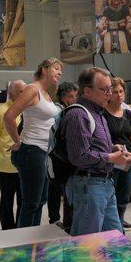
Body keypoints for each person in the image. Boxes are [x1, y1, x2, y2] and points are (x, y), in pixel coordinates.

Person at [61, 67, 131, 236]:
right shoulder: (79, 115)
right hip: (89, 185)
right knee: (87, 243)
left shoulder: (98, 112)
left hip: (103, 184)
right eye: (104, 89)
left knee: (115, 238)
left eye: (110, 89)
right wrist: (110, 157)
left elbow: (93, 146)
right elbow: (79, 156)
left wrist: (112, 148)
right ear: (87, 91)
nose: (109, 93)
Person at [5, 58, 62, 228]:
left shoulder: (46, 93)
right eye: (56, 69)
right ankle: (25, 244)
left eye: (60, 70)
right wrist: (17, 141)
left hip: (44, 151)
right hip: (32, 150)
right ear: (44, 69)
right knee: (31, 203)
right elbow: (9, 116)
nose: (59, 73)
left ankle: (33, 240)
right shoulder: (32, 90)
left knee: (40, 201)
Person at [0, 80, 26, 230]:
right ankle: (8, 229)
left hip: (23, 165)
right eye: (20, 91)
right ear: (11, 92)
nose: (23, 94)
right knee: (7, 200)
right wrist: (0, 154)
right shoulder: (2, 111)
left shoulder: (25, 111)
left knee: (23, 200)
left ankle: (21, 228)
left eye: (24, 91)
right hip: (7, 166)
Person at [105, 77, 131, 231]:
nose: (119, 95)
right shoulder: (103, 113)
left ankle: (120, 218)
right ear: (108, 94)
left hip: (128, 159)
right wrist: (113, 148)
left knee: (124, 193)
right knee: (111, 193)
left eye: (121, 91)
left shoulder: (127, 113)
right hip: (111, 160)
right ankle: (113, 223)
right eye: (115, 92)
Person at [47, 81, 79, 227]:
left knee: (64, 192)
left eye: (74, 96)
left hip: (63, 157)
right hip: (57, 157)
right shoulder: (58, 112)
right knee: (56, 189)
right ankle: (54, 220)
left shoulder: (70, 111)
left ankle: (63, 222)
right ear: (62, 97)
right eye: (69, 96)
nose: (73, 99)